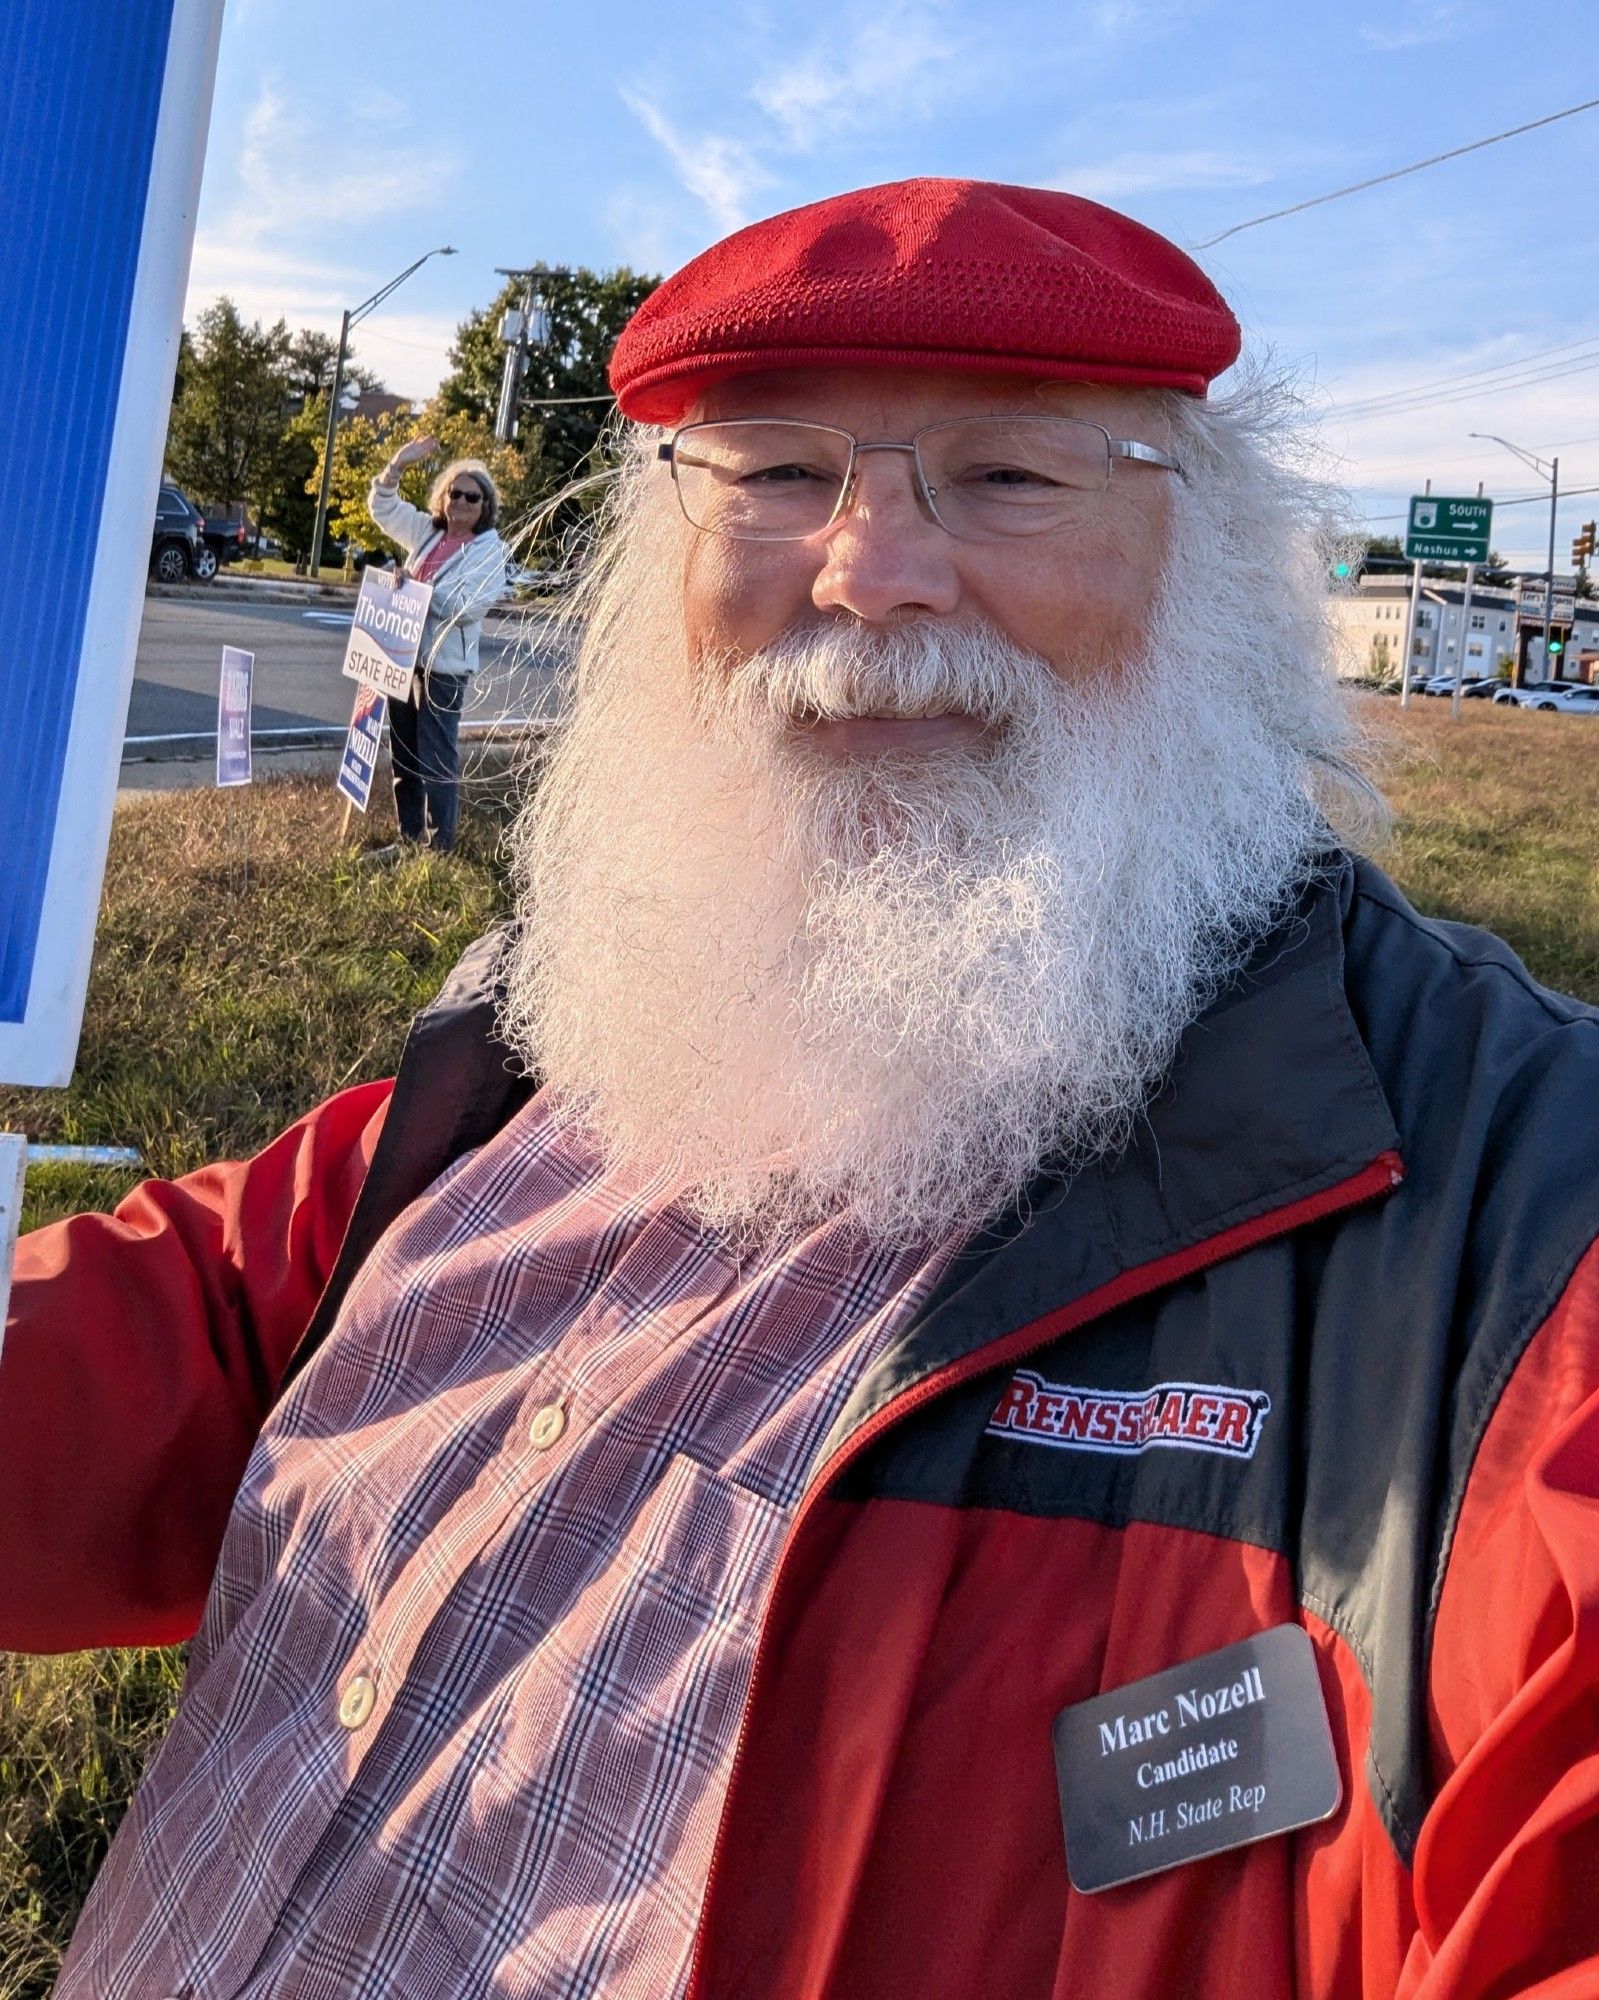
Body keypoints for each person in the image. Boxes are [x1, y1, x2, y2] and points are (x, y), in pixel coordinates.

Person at [4, 177, 1598, 1999]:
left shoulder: (1516, 1236)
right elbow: (171, 1328)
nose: (866, 570)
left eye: (1005, 477)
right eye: (770, 476)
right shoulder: (555, 1039)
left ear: (1220, 567)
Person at [367, 439, 508, 851]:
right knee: (405, 752)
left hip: (444, 667)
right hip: (403, 653)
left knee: (437, 756)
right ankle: (409, 838)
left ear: (485, 506)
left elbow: (471, 606)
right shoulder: (428, 533)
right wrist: (396, 465)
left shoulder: (488, 551)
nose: (461, 501)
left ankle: (440, 845)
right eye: (454, 492)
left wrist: (419, 590)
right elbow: (383, 508)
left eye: (472, 496)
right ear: (443, 497)